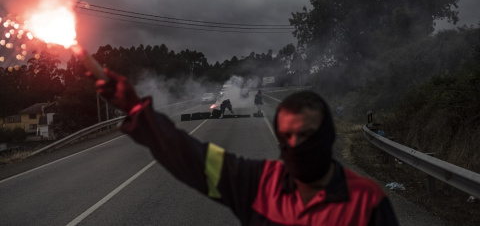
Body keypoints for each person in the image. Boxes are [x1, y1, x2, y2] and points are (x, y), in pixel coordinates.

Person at [95, 68, 399, 226]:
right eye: (287, 137)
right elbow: (190, 158)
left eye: (306, 134)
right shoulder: (258, 184)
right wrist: (136, 109)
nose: (296, 144)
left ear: (328, 134)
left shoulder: (366, 202)